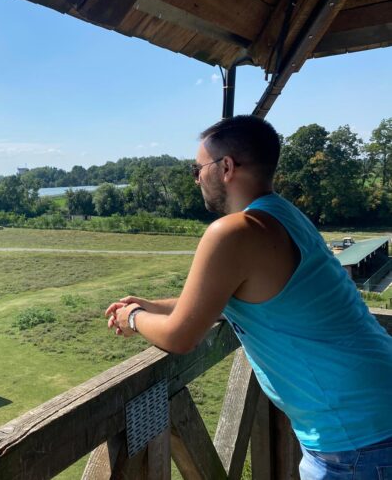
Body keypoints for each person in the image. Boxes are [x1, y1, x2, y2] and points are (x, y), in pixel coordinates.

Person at [105, 115, 392, 479]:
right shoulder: (284, 215)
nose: (196, 178)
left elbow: (181, 336)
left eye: (198, 168)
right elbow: (222, 300)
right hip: (371, 412)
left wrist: (132, 318)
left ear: (225, 167)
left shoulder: (235, 231)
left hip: (356, 440)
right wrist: (151, 305)